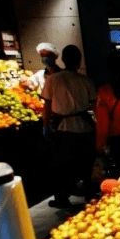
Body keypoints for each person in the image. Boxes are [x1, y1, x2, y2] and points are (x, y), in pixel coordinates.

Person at [41, 45, 96, 207]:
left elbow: (46, 106)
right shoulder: (86, 80)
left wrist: (45, 126)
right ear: (79, 61)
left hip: (63, 130)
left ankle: (62, 198)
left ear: (63, 60)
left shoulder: (52, 80)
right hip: (85, 128)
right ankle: (89, 193)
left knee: (62, 166)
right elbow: (94, 106)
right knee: (86, 164)